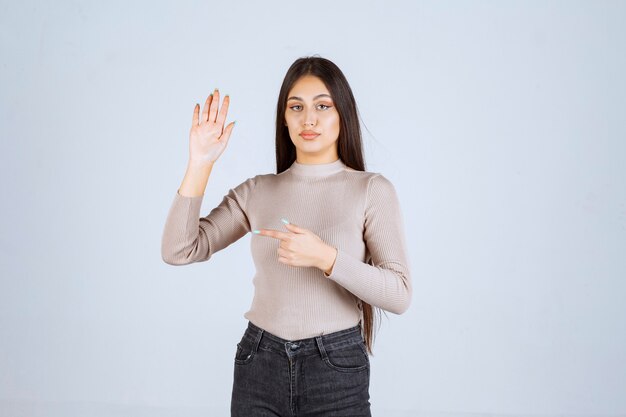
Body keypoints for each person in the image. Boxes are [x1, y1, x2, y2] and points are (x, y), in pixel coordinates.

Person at [161, 56, 412, 417]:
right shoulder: (258, 191)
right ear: (284, 117)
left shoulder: (371, 190)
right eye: (296, 107)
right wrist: (200, 163)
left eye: (322, 106)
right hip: (259, 363)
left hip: (336, 368)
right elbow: (179, 249)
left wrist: (326, 258)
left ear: (343, 114)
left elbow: (400, 293)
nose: (308, 119)